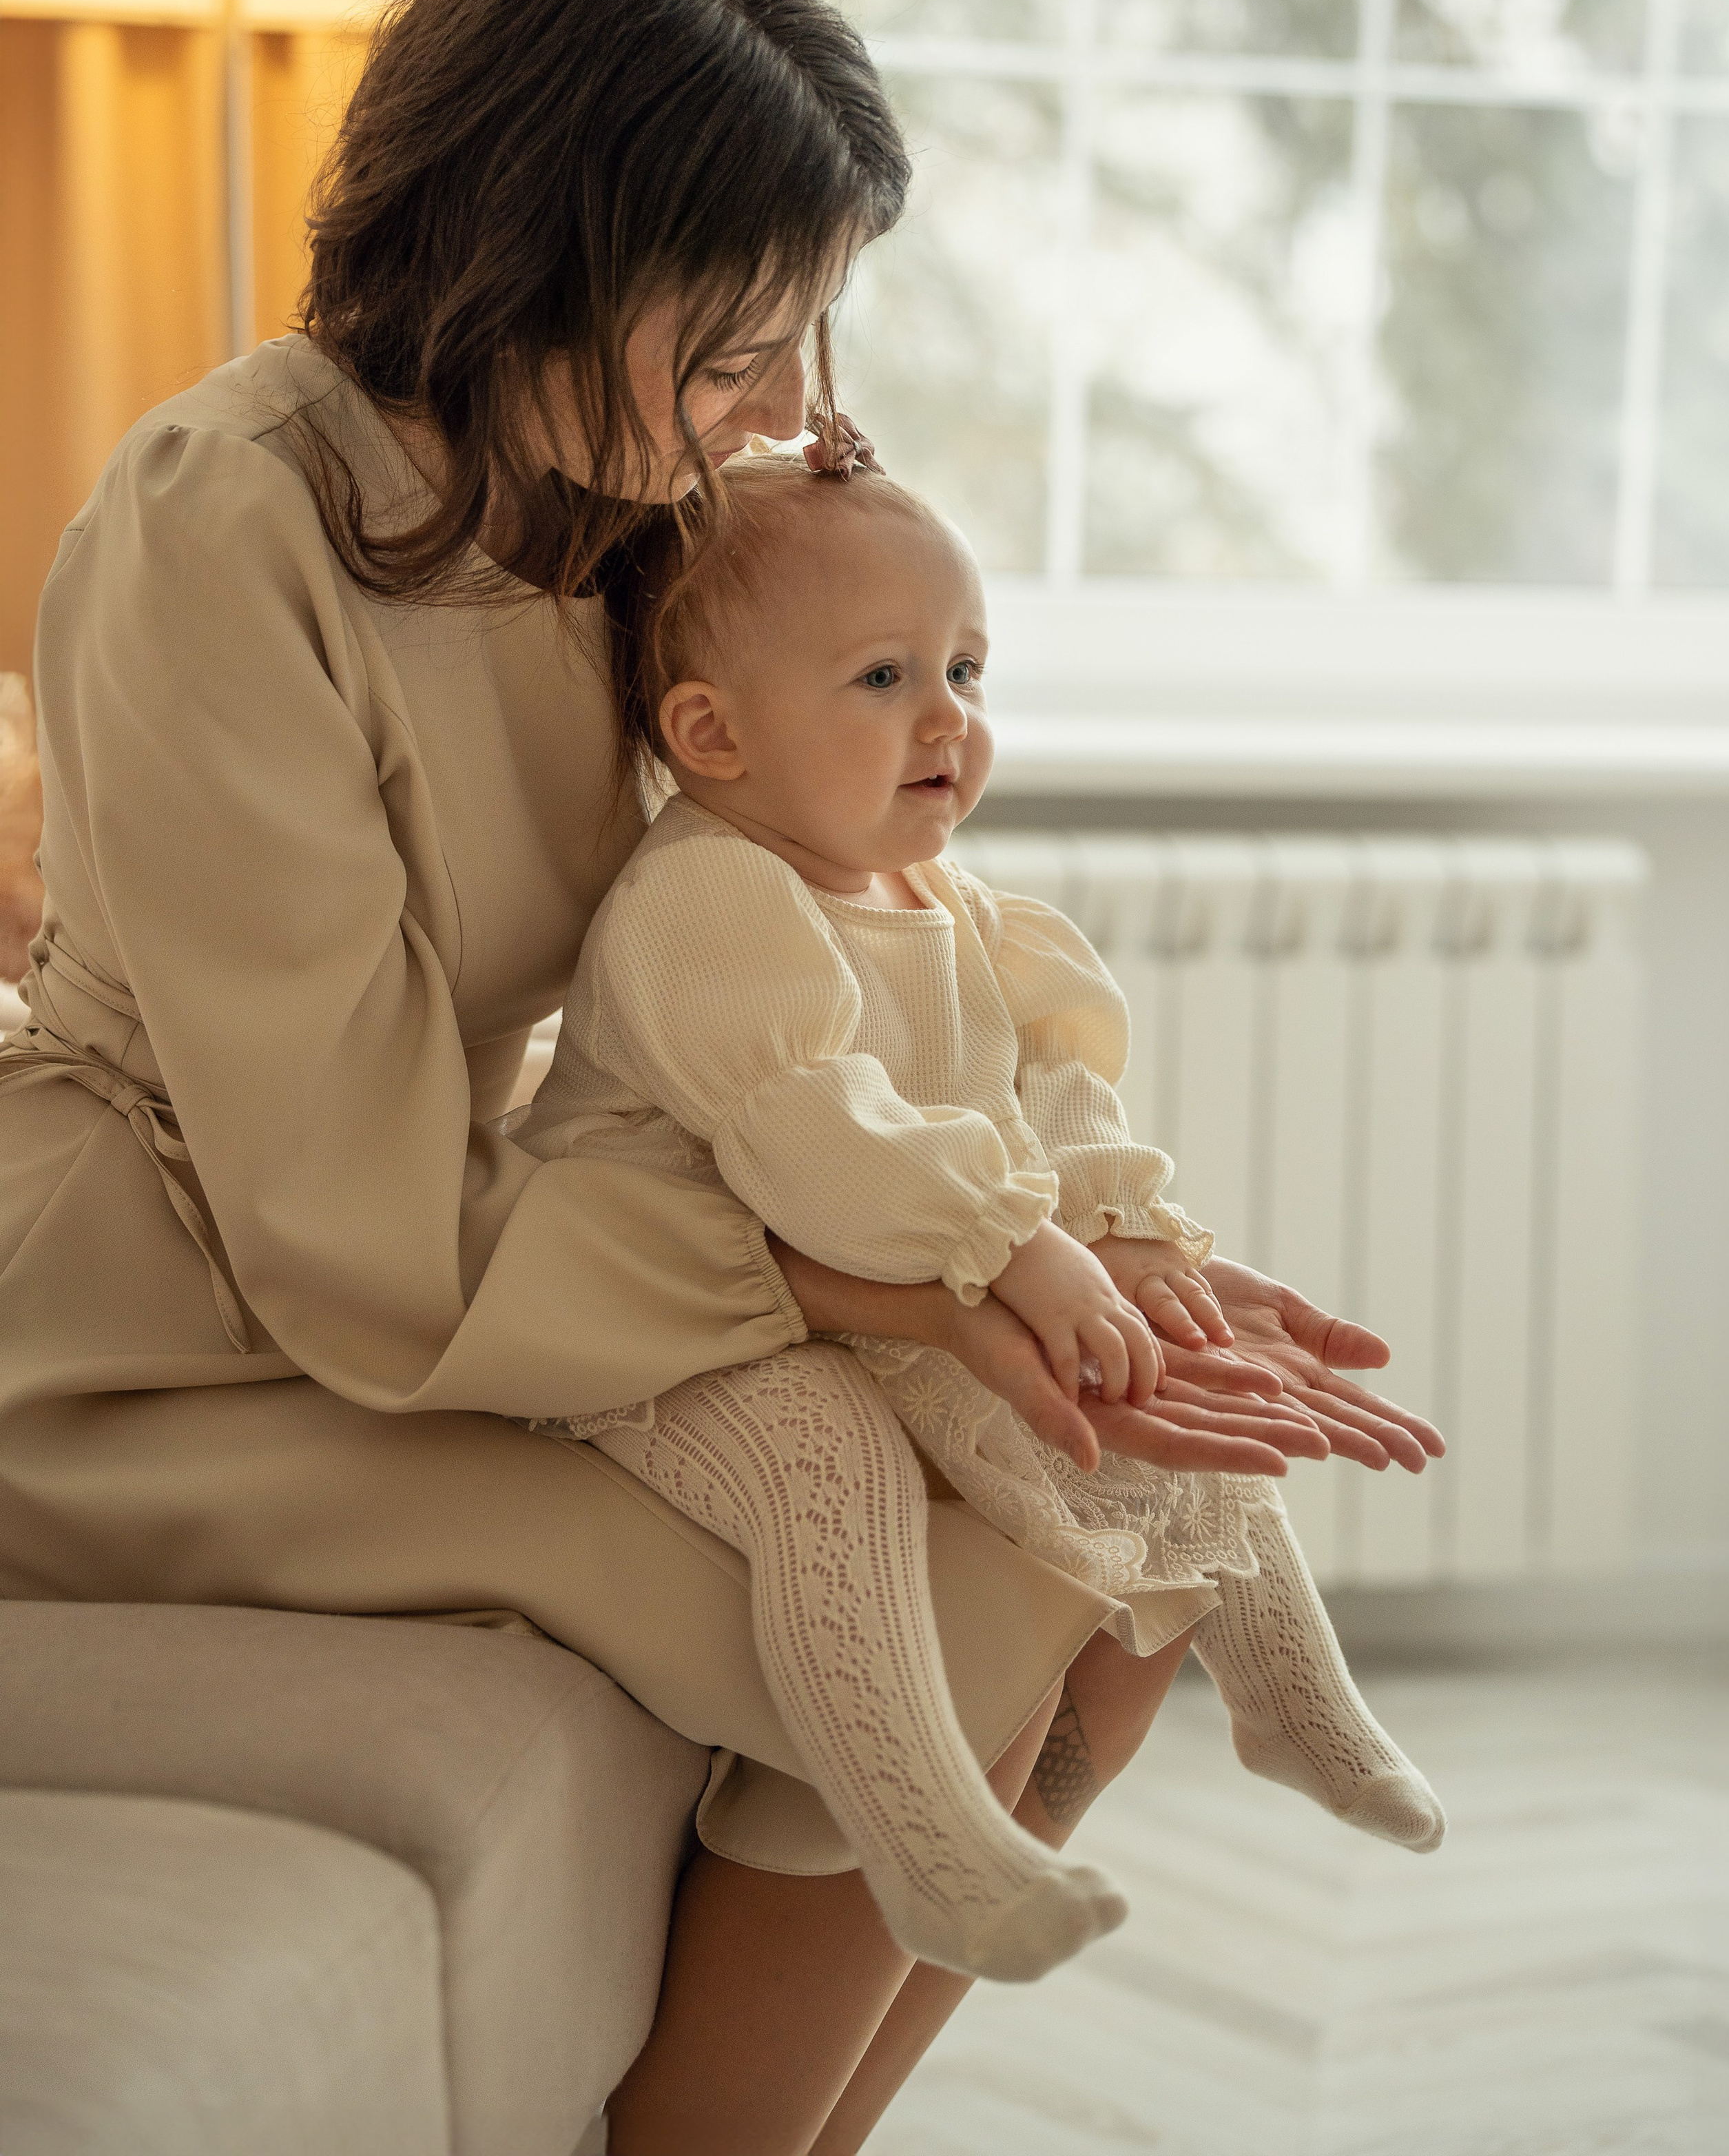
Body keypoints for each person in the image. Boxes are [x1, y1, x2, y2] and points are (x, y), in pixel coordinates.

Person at [0, 0, 1445, 2156]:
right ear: (533, 245)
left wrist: (1088, 1242)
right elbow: (354, 1228)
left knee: (1133, 1488)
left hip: (462, 1239)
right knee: (990, 1579)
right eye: (738, 339)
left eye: (808, 343)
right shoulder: (221, 527)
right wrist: (923, 1284)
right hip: (173, 1316)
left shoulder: (606, 497)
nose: (779, 407)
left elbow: (834, 913)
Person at [516, 442, 1444, 1984]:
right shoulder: (709, 895)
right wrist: (1019, 1250)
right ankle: (932, 1850)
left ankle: (1284, 1688)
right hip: (669, 1325)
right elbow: (820, 1131)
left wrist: (1129, 1241)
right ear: (711, 733)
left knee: (1164, 1374)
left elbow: (1049, 1097)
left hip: (866, 1285)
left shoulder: (945, 906)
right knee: (823, 1463)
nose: (948, 716)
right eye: (884, 677)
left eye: (964, 666)